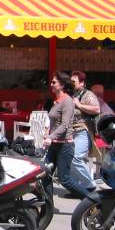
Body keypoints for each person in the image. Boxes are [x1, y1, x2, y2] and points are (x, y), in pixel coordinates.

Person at [43, 71, 95, 200]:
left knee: (64, 179)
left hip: (64, 146)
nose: (51, 84)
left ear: (61, 85)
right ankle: (47, 206)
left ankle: (92, 200)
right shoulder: (57, 101)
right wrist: (48, 131)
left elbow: (65, 125)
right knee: (45, 175)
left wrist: (50, 137)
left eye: (54, 82)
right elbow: (55, 122)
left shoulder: (67, 101)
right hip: (54, 145)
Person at [70, 71, 99, 193]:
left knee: (75, 158)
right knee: (69, 157)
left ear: (82, 83)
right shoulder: (74, 94)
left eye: (74, 81)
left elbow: (96, 109)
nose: (71, 83)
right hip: (72, 132)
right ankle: (78, 188)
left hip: (82, 130)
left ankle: (89, 184)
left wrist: (79, 105)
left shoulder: (88, 95)